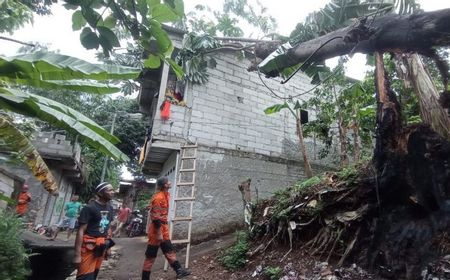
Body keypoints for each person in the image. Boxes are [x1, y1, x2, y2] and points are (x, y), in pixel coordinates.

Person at [141, 177, 190, 280]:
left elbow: (155, 208)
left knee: (169, 250)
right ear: (164, 185)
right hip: (156, 230)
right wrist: (159, 234)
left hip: (163, 227)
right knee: (151, 255)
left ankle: (179, 271)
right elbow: (155, 218)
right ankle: (145, 278)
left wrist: (151, 207)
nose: (170, 182)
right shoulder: (159, 197)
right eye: (168, 181)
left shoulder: (166, 195)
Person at [73, 182, 115, 280]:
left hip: (101, 246)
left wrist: (109, 248)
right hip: (89, 247)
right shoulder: (89, 208)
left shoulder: (110, 208)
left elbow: (108, 228)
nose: (113, 192)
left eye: (113, 190)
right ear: (100, 193)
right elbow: (81, 231)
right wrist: (77, 255)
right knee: (85, 277)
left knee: (94, 275)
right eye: (109, 190)